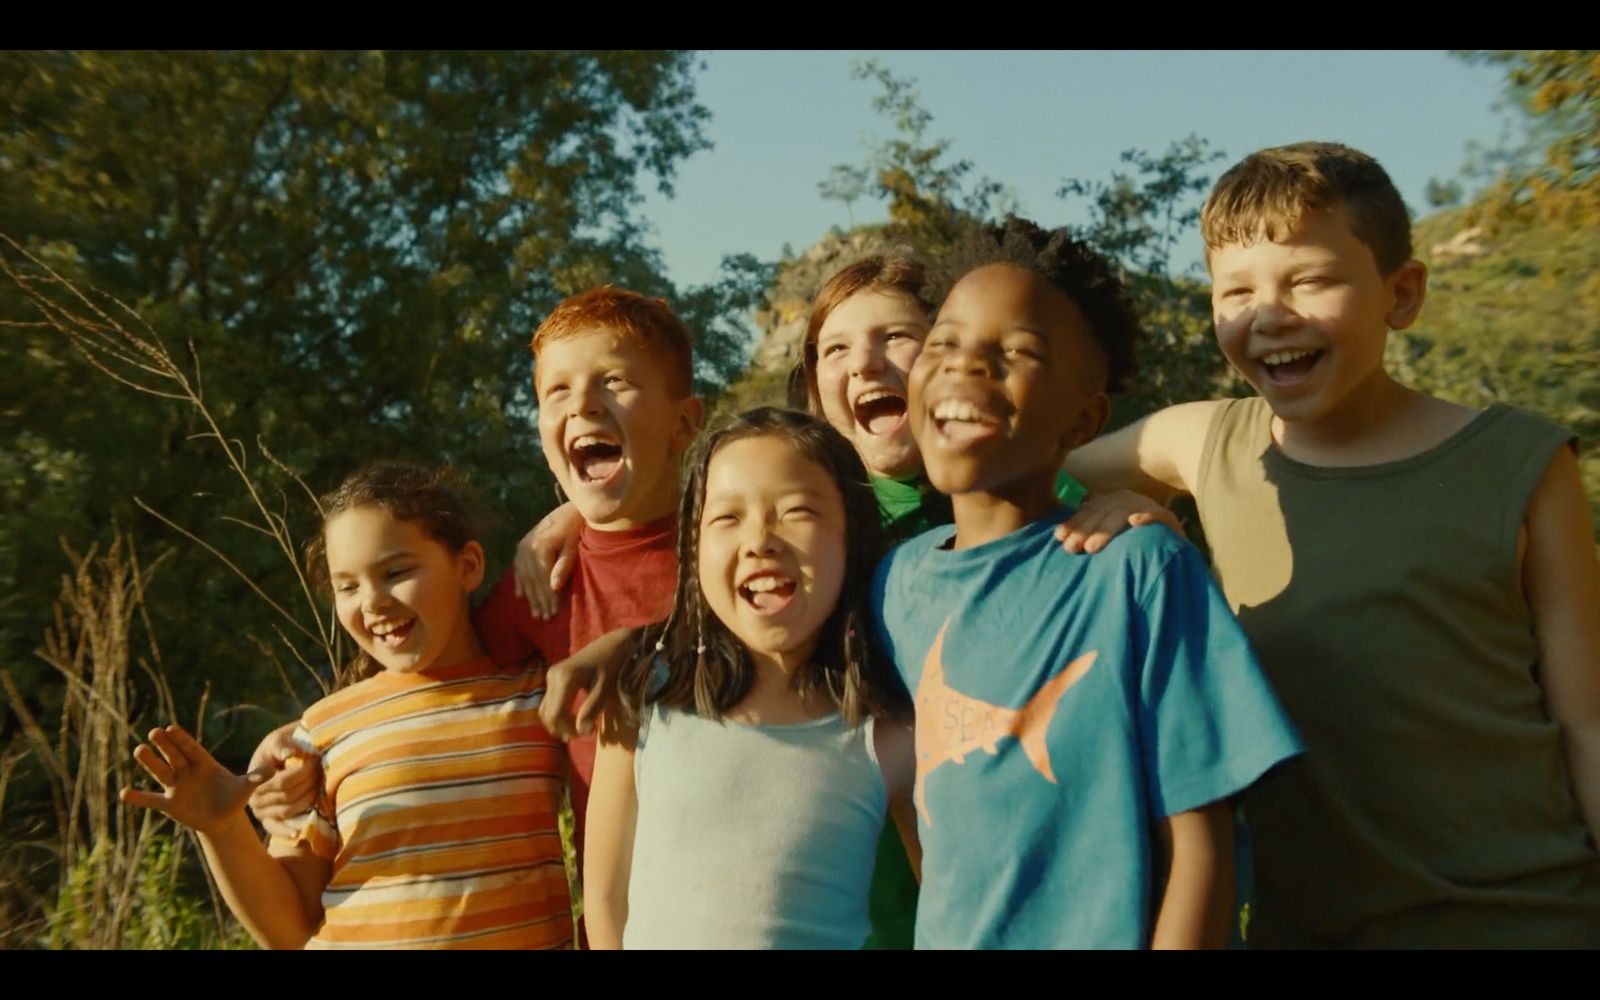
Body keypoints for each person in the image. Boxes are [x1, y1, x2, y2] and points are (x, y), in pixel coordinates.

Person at [1063, 141, 1600, 947]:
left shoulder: (1520, 462)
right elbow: (1019, 479)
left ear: (1402, 293)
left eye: (1309, 280)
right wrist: (1143, 529)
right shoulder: (1200, 444)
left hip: (1527, 920)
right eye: (1235, 290)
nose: (1269, 314)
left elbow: (1588, 720)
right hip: (1300, 929)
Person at [872, 216, 1302, 948]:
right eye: (942, 341)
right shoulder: (895, 583)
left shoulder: (1137, 569)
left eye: (1015, 351)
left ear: (1086, 418)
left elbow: (1202, 848)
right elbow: (921, 821)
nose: (965, 365)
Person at [123, 463, 573, 949]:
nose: (373, 601)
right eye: (348, 586)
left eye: (396, 572)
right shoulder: (322, 730)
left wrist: (572, 516)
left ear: (468, 565)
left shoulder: (539, 694)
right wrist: (221, 829)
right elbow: (289, 929)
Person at [584, 407, 917, 949]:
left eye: (797, 510)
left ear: (852, 536)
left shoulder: (890, 733)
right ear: (693, 546)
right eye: (727, 517)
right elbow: (603, 897)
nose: (760, 539)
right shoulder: (643, 694)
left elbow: (959, 905)